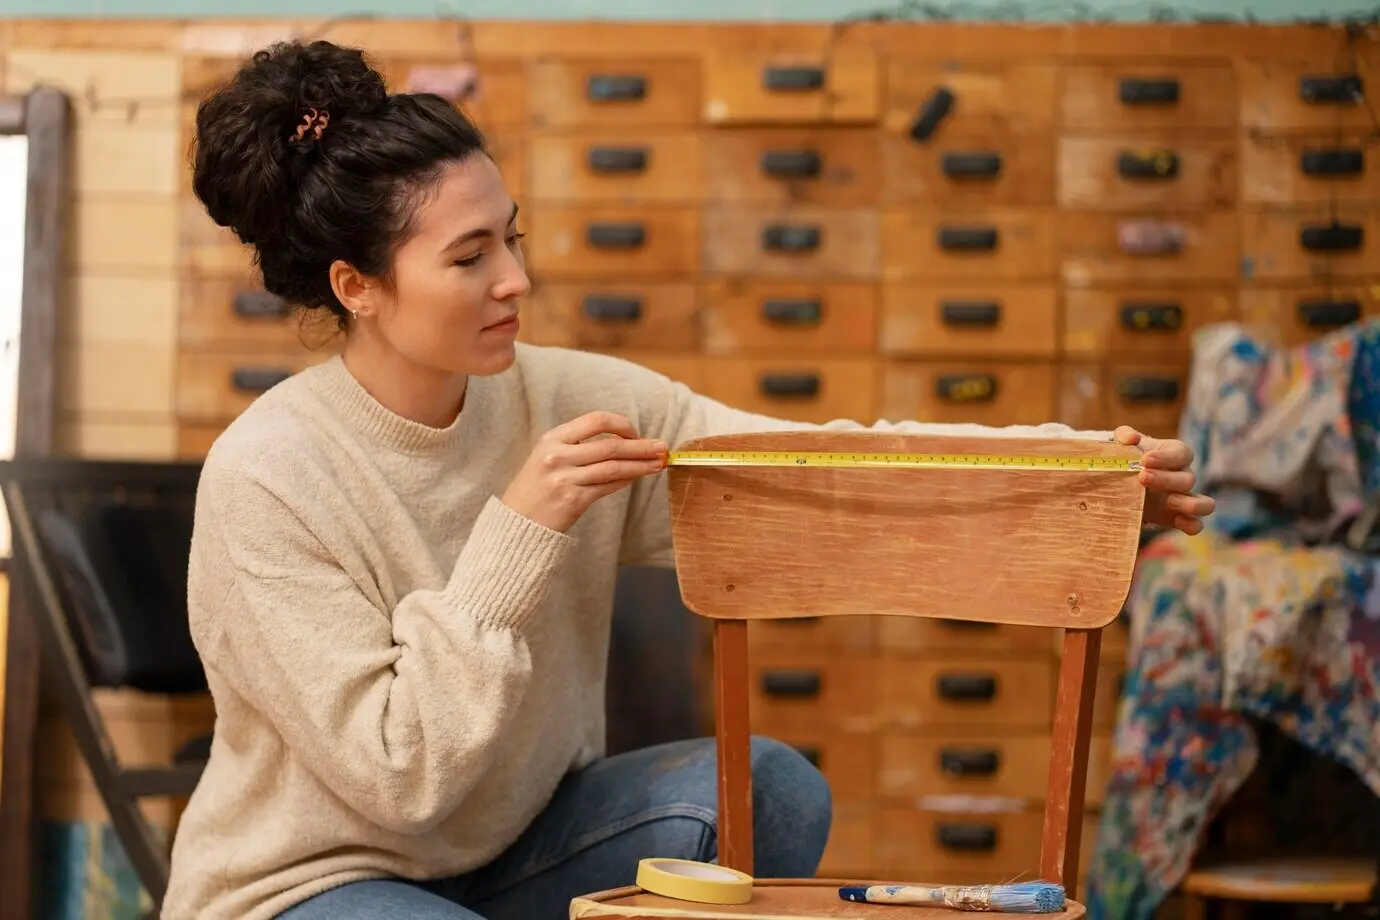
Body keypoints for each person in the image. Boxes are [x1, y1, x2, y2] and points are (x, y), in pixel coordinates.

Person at [164, 38, 1217, 920]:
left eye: (513, 239)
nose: (516, 280)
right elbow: (400, 780)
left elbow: (809, 465)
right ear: (359, 287)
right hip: (316, 878)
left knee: (768, 786)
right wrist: (518, 529)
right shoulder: (269, 474)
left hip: (512, 851)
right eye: (470, 255)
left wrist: (1076, 477)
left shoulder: (560, 395)